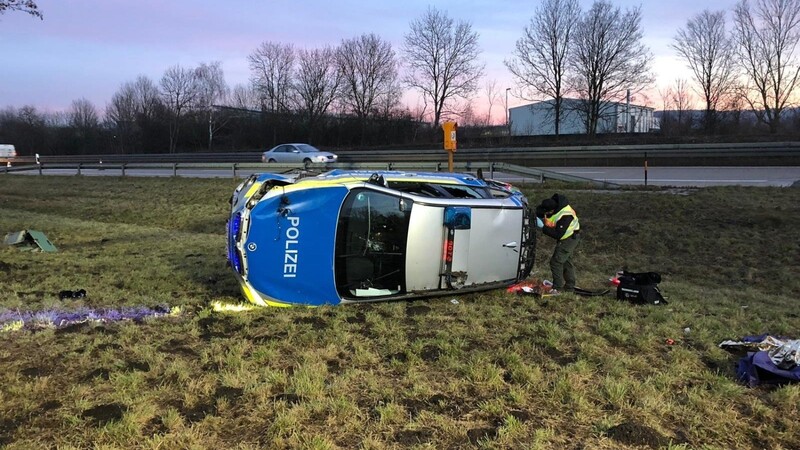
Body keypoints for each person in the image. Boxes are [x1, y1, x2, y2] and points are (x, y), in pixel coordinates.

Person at [535, 193, 581, 294]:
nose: (545, 215)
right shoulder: (551, 204)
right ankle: (569, 287)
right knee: (566, 261)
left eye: (547, 213)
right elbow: (539, 212)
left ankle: (558, 288)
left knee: (556, 262)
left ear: (552, 210)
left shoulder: (566, 216)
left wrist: (543, 227)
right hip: (566, 237)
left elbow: (558, 234)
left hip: (569, 238)